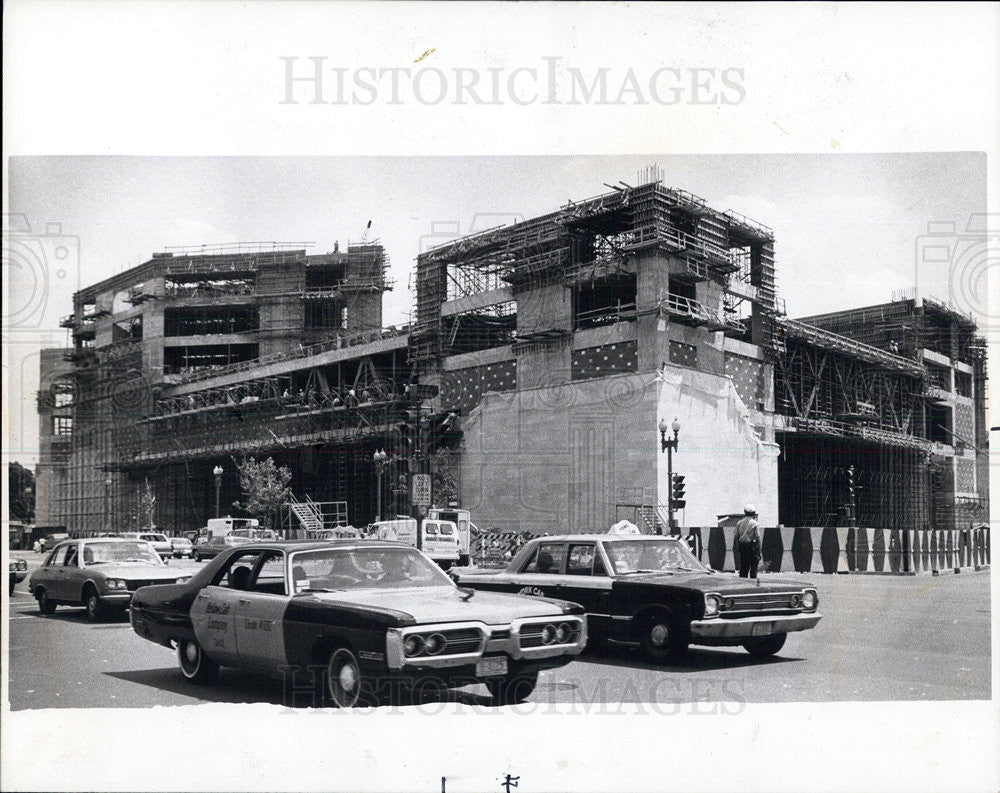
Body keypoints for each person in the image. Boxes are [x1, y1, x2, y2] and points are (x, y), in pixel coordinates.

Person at [735, 503, 761, 579]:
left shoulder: (739, 523)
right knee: (753, 568)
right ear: (754, 513)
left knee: (743, 567)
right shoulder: (755, 524)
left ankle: (742, 584)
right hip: (752, 547)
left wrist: (738, 547)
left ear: (745, 512)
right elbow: (758, 538)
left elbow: (736, 536)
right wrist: (759, 550)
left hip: (742, 546)